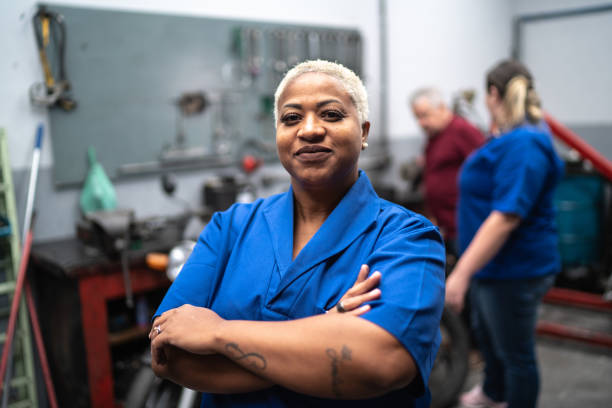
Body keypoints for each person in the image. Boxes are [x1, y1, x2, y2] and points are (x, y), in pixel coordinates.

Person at [149, 60, 446, 407]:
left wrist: (217, 333)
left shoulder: (407, 238)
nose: (309, 130)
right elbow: (170, 353)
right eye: (291, 118)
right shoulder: (229, 228)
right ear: (277, 134)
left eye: (331, 114)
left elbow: (379, 363)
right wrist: (327, 331)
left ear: (363, 132)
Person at [445, 60, 564, 408]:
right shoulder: (510, 137)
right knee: (490, 338)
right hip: (492, 266)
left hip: (515, 268)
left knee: (516, 354)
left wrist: (461, 273)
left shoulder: (525, 143)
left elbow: (507, 217)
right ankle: (493, 394)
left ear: (493, 94)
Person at [410, 88, 484, 256]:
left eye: (425, 115)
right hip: (446, 228)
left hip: (466, 228)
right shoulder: (433, 136)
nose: (421, 123)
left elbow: (486, 172)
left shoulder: (462, 130)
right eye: (417, 118)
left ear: (442, 108)